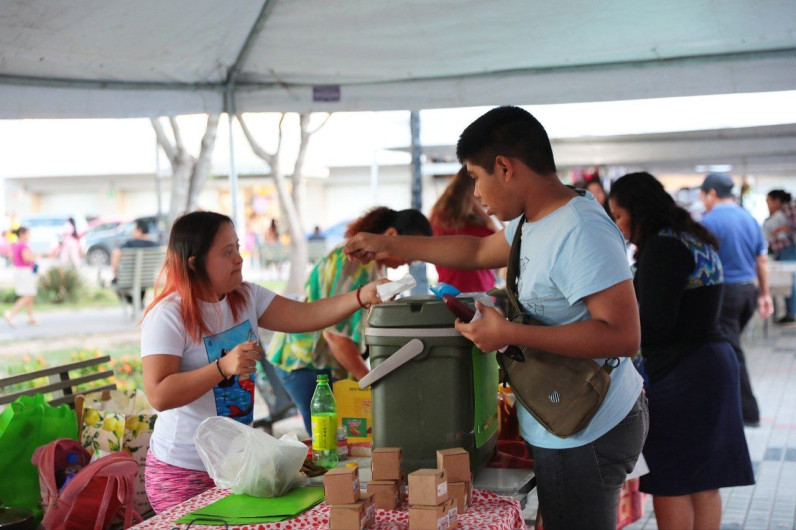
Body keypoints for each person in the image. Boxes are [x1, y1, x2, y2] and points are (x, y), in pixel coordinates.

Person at [345, 106, 647, 530]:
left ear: (504, 168)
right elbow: (473, 251)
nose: (476, 193)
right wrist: (387, 244)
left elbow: (622, 335)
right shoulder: (534, 220)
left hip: (590, 425)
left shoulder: (580, 228)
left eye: (475, 176)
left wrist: (508, 333)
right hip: (561, 418)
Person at [140, 211, 386, 513]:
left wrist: (361, 295)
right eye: (227, 252)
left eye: (238, 247)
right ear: (195, 263)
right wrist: (222, 368)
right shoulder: (168, 315)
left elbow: (307, 316)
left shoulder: (246, 297)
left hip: (237, 463)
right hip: (182, 470)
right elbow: (159, 394)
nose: (239, 259)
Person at [608, 172, 754, 530]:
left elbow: (654, 325)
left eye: (619, 216)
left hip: (682, 373)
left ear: (638, 211)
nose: (618, 225)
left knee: (671, 478)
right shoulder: (690, 237)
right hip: (709, 364)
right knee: (702, 478)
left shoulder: (663, 247)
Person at [267, 207, 432, 435]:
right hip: (304, 359)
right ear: (392, 235)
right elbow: (335, 336)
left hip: (328, 363)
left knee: (345, 438)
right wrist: (372, 382)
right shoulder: (353, 262)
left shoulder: (376, 266)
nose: (410, 262)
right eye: (410, 252)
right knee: (328, 439)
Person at [699, 172, 773, 427]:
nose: (702, 200)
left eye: (703, 195)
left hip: (724, 295)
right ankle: (725, 403)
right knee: (726, 348)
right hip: (747, 293)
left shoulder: (707, 221)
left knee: (730, 352)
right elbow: (761, 260)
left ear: (711, 193)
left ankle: (748, 411)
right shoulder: (749, 219)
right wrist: (764, 294)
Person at [429, 165, 500, 293]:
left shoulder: (439, 216)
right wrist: (486, 215)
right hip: (473, 291)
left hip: (454, 290)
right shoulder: (477, 224)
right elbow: (504, 241)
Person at [763, 189, 795, 323]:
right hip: (781, 251)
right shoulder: (778, 214)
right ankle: (790, 312)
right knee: (787, 281)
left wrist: (780, 230)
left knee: (791, 282)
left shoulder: (788, 209)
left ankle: (792, 313)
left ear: (777, 200)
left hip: (788, 249)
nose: (768, 205)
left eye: (769, 201)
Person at [110, 218, 158, 306]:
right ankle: (138, 302)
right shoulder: (156, 245)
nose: (132, 231)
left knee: (114, 281)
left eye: (133, 229)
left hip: (129, 279)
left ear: (139, 231)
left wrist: (116, 274)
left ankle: (133, 302)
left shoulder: (130, 244)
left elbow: (116, 253)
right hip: (150, 279)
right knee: (141, 279)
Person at [4, 226, 37, 327]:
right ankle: (10, 314)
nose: (29, 236)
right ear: (22, 234)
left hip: (18, 271)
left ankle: (30, 317)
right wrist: (34, 257)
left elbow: (10, 256)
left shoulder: (14, 245)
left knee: (30, 295)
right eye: (27, 233)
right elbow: (26, 258)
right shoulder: (23, 246)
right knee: (27, 296)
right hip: (25, 272)